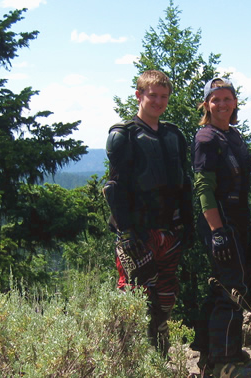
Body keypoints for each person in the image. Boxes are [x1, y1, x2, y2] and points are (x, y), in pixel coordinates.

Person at [103, 70, 194, 357]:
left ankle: (159, 352)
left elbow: (184, 184)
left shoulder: (174, 135)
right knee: (133, 298)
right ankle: (130, 359)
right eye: (152, 95)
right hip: (137, 232)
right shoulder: (123, 135)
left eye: (163, 96)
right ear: (138, 95)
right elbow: (113, 187)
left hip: (169, 230)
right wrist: (126, 232)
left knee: (166, 296)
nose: (158, 101)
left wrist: (188, 225)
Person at [189, 78, 251, 377]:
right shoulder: (206, 138)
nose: (223, 104)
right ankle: (223, 360)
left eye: (227, 98)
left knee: (226, 283)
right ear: (207, 104)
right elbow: (203, 188)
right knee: (232, 286)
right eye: (216, 99)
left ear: (235, 102)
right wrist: (217, 231)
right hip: (219, 220)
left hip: (238, 219)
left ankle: (212, 351)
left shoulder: (233, 136)